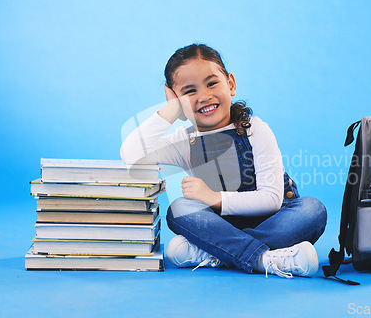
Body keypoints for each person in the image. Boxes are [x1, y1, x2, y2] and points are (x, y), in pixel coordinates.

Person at [120, 43, 327, 278]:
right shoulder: (184, 141)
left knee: (312, 209)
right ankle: (265, 259)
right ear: (177, 99)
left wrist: (212, 197)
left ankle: (217, 253)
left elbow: (270, 199)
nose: (204, 96)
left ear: (230, 84)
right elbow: (132, 155)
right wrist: (169, 111)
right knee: (178, 209)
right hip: (220, 226)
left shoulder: (255, 129)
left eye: (211, 83)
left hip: (272, 220)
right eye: (189, 91)